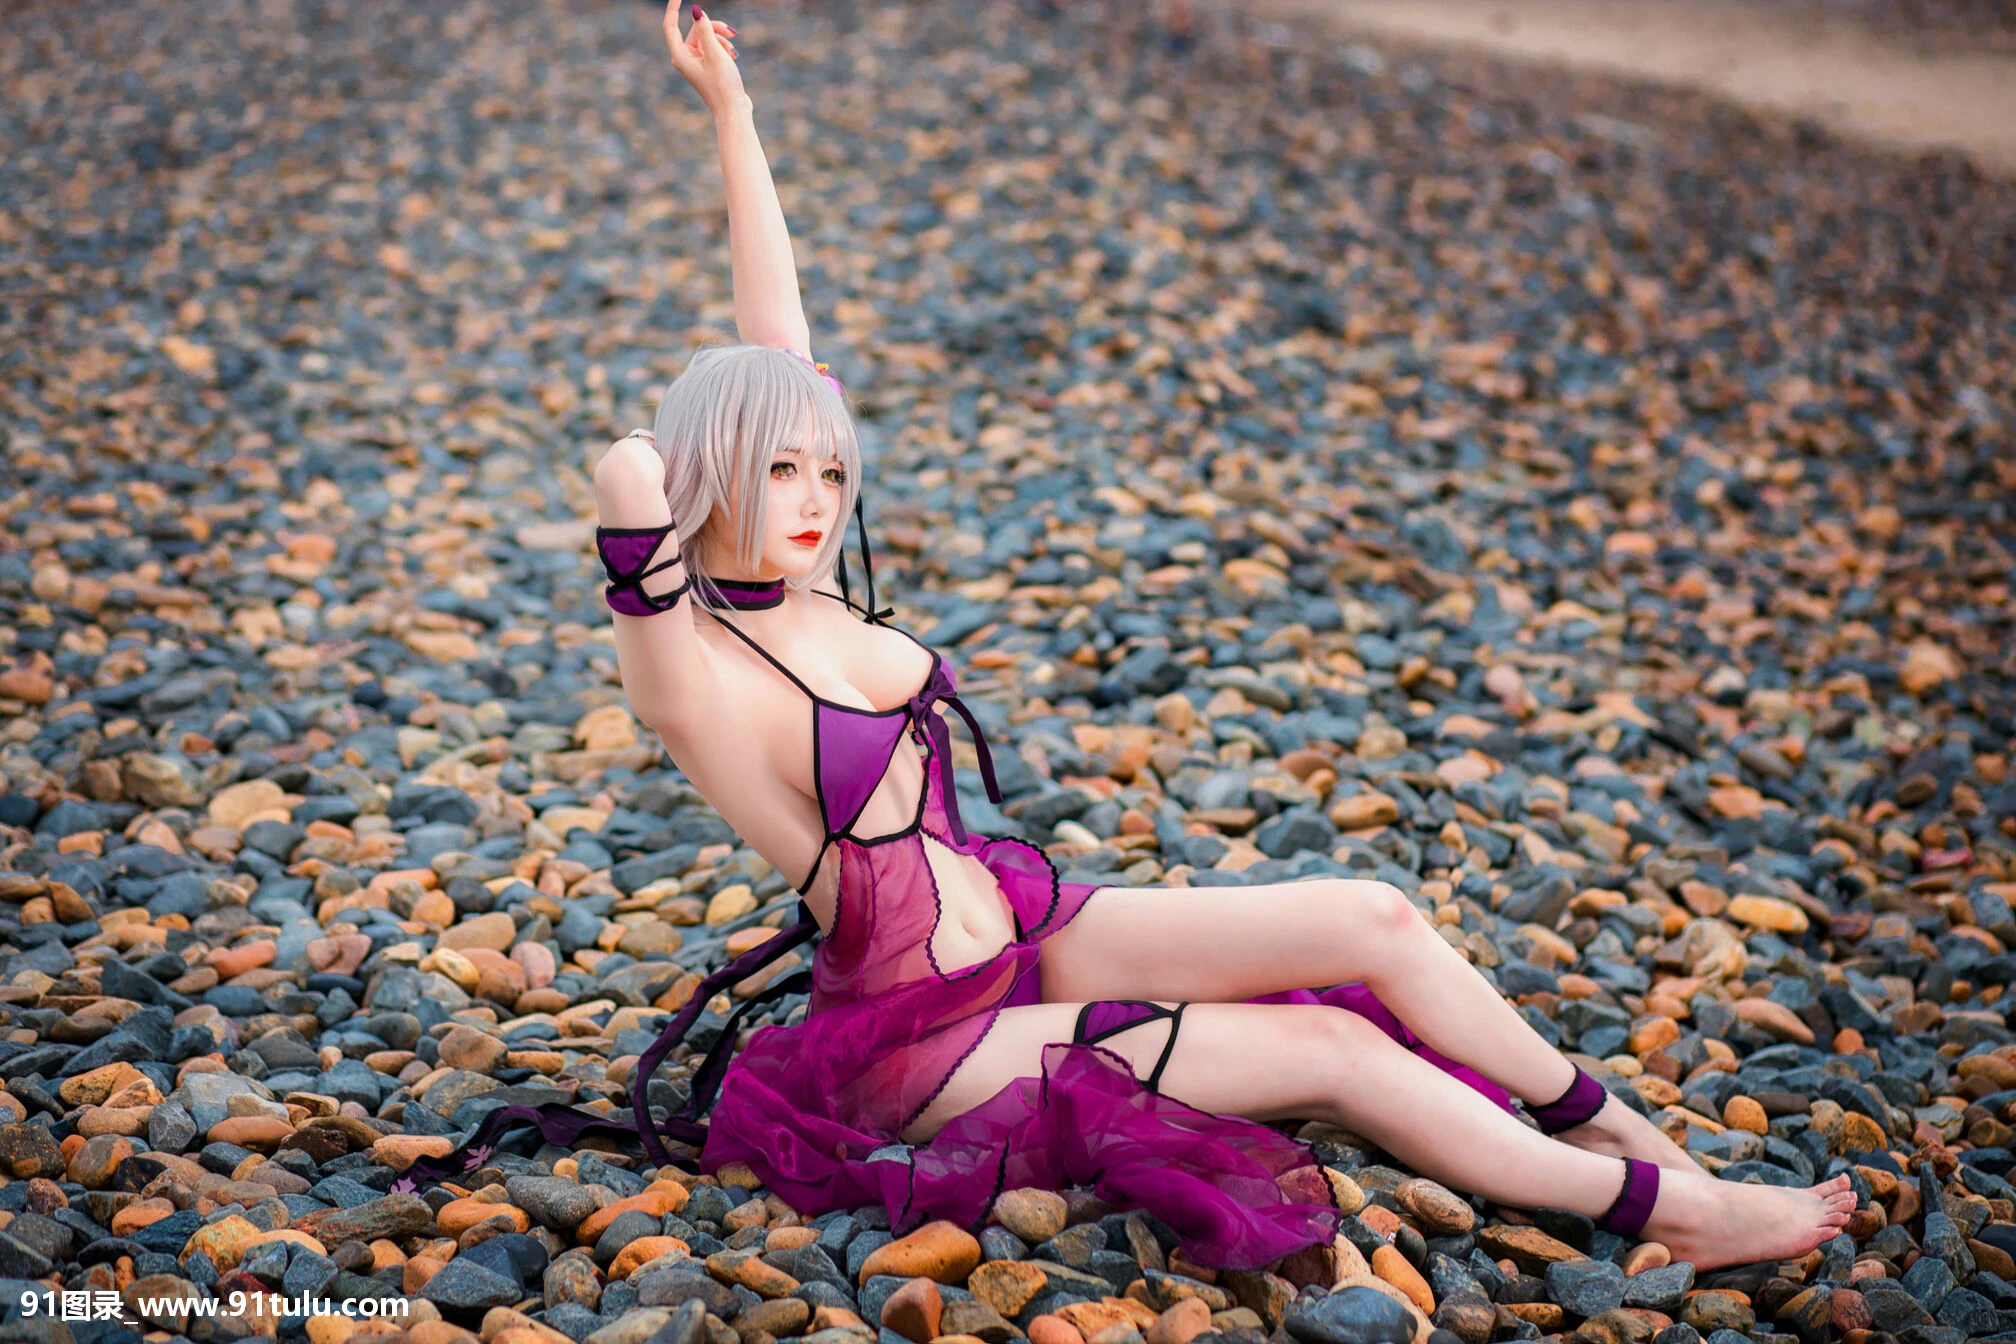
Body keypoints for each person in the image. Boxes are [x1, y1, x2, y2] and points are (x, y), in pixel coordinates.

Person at [406, 4, 1860, 1274]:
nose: (815, 499)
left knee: (1372, 917)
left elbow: (776, 337)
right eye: (778, 471)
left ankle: (1625, 1133)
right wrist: (639, 468)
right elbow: (647, 543)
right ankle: (1670, 1212)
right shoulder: (705, 678)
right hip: (921, 1046)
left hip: (1019, 926)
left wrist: (735, 118)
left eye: (829, 471)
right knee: (1334, 1053)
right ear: (711, 474)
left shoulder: (819, 588)